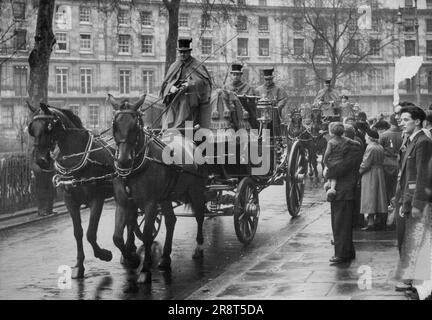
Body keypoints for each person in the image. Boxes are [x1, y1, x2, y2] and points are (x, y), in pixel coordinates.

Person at [394, 105, 432, 299]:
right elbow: (406, 175)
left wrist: (416, 204)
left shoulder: (423, 142)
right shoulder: (411, 141)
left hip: (415, 201)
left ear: (417, 121)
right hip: (406, 198)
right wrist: (400, 200)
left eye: (406, 119)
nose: (401, 122)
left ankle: (420, 289)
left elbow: (422, 176)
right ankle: (412, 281)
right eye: (401, 119)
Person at [325, 123, 363, 265]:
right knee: (344, 222)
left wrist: (328, 172)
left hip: (343, 190)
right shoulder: (355, 146)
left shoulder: (350, 148)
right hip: (347, 188)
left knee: (340, 223)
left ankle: (341, 254)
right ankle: (348, 251)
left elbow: (340, 168)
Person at [160, 37, 212, 130]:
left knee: (184, 101)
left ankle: (179, 128)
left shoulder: (197, 64)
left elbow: (205, 82)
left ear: (189, 52)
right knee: (170, 104)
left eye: (185, 52)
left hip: (192, 97)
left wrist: (190, 84)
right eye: (181, 52)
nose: (183, 54)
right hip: (174, 97)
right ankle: (167, 128)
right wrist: (171, 88)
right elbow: (165, 83)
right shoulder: (174, 65)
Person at [323, 122, 361, 202]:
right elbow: (356, 143)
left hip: (333, 164)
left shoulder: (331, 142)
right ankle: (331, 187)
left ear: (332, 132)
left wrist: (325, 161)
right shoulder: (346, 140)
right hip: (341, 162)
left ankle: (331, 188)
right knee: (334, 176)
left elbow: (327, 153)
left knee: (332, 176)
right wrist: (358, 143)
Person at [359, 128, 388, 231]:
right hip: (379, 172)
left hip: (370, 174)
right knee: (378, 197)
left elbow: (366, 163)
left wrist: (359, 171)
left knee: (369, 197)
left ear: (370, 138)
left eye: (366, 136)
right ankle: (377, 221)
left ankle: (370, 222)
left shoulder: (370, 148)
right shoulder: (379, 147)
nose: (365, 138)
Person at [223, 62, 259, 128]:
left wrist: (246, 99)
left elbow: (252, 104)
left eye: (237, 75)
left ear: (240, 75)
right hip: (230, 114)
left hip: (244, 115)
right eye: (234, 74)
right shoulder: (226, 87)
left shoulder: (248, 87)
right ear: (231, 75)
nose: (235, 76)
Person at [379, 114, 403, 211]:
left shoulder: (384, 135)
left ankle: (386, 213)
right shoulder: (404, 134)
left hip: (386, 165)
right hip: (400, 165)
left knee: (386, 190)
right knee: (397, 190)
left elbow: (380, 150)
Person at [256, 67, 288, 136]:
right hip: (262, 117)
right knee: (261, 132)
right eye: (266, 79)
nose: (268, 81)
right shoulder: (258, 90)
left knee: (275, 132)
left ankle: (276, 143)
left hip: (274, 116)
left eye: (270, 79)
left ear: (272, 78)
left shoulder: (279, 89)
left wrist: (278, 106)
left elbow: (284, 99)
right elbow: (254, 102)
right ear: (264, 79)